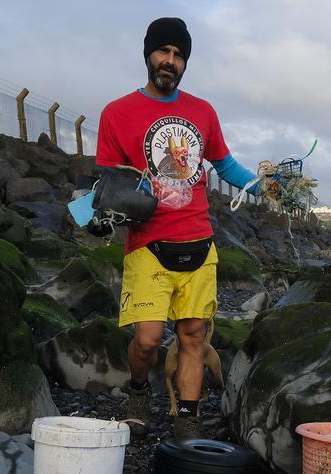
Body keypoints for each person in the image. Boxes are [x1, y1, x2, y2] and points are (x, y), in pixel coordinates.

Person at [95, 17, 260, 439]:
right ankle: (137, 391)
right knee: (148, 340)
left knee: (192, 337)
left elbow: (224, 163)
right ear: (148, 54)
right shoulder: (117, 113)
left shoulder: (202, 111)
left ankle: (187, 419)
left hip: (199, 240)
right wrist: (97, 215)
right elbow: (107, 179)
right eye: (163, 52)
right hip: (147, 243)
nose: (170, 61)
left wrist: (263, 185)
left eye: (179, 55)